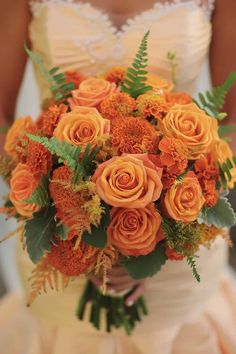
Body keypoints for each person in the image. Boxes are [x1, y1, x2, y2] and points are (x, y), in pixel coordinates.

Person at [0, 1, 236, 353]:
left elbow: (231, 122)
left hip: (178, 237)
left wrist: (154, 234)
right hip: (61, 234)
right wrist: (65, 220)